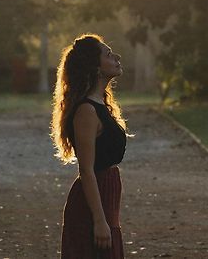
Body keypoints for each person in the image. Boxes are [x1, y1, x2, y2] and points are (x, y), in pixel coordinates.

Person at [51, 34, 129, 259]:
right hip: (91, 206)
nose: (116, 57)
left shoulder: (101, 105)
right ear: (94, 66)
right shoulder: (87, 111)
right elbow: (86, 169)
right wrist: (99, 220)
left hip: (105, 198)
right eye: (108, 54)